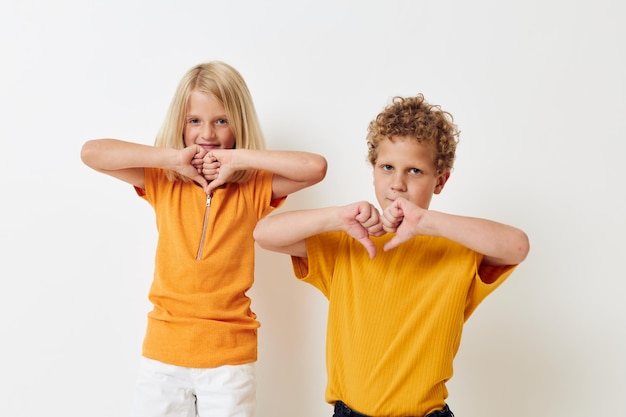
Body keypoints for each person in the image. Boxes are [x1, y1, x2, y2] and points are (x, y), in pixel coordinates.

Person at [253, 94, 530, 417]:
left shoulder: (457, 249)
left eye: (414, 171)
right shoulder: (349, 242)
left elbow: (518, 246)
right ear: (373, 171)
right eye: (387, 167)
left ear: (440, 180)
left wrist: (427, 222)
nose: (397, 183)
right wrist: (338, 217)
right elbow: (264, 234)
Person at [80, 61, 327, 417]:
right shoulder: (163, 181)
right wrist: (173, 160)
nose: (207, 133)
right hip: (163, 354)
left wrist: (236, 158)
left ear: (238, 124)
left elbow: (315, 167)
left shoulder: (255, 186)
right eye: (195, 120)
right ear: (180, 123)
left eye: (221, 120)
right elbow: (92, 152)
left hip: (229, 359)